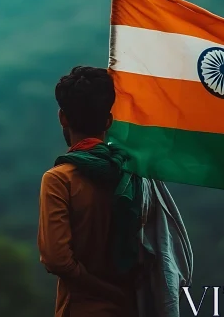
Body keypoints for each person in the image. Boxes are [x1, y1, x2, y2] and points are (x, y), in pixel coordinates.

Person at [37, 66, 141, 317]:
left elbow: (56, 259)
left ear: (63, 117)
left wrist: (105, 291)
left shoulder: (59, 180)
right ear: (108, 120)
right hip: (132, 307)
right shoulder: (130, 173)